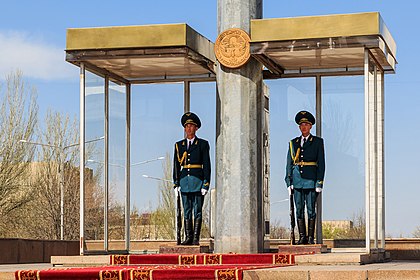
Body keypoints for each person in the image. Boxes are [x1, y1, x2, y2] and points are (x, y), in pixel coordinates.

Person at [285, 111, 325, 245]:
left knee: (310, 210)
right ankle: (302, 237)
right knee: (299, 209)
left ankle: (310, 238)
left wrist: (319, 182)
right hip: (297, 181)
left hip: (311, 180)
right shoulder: (293, 143)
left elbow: (321, 163)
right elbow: (289, 164)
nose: (303, 127)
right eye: (301, 124)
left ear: (311, 126)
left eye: (306, 124)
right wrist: (288, 181)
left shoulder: (317, 142)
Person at [173, 112, 211, 245]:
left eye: (192, 126)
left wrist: (206, 184)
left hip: (197, 181)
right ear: (184, 128)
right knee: (187, 210)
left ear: (196, 128)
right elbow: (176, 166)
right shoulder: (179, 145)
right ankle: (188, 237)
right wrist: (176, 184)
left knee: (198, 211)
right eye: (187, 126)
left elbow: (207, 165)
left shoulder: (202, 144)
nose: (189, 128)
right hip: (184, 182)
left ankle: (195, 238)